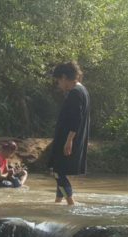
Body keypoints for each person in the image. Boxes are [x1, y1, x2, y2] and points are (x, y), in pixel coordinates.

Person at [48, 61, 89, 206]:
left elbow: (76, 119)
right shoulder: (82, 90)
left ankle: (70, 202)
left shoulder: (75, 93)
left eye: (58, 81)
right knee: (58, 171)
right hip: (69, 138)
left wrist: (69, 140)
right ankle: (57, 202)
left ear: (65, 77)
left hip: (67, 139)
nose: (58, 84)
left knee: (58, 172)